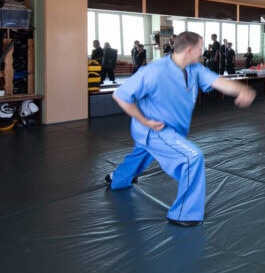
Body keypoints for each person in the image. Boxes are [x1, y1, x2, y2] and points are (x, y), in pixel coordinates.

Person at [107, 31, 256, 227]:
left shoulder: (194, 68)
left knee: (141, 155)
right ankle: (184, 214)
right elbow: (120, 95)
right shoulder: (154, 71)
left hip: (167, 131)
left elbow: (218, 82)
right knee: (192, 157)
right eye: (200, 49)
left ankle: (117, 179)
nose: (203, 52)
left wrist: (242, 89)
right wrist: (144, 120)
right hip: (156, 130)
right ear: (189, 50)